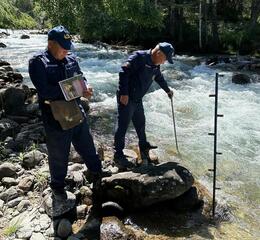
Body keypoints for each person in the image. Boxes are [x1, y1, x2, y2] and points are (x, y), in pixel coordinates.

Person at [28, 26, 102, 198]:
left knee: (88, 147)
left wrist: (85, 86)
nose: (66, 50)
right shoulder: (38, 62)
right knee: (58, 155)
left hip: (76, 112)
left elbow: (81, 76)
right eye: (62, 46)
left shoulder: (71, 58)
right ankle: (58, 188)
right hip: (55, 118)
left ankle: (97, 174)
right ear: (50, 43)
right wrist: (76, 89)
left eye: (68, 46)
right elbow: (45, 91)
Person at [114, 42, 174, 169]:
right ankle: (118, 155)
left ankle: (144, 148)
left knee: (141, 124)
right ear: (158, 53)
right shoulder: (139, 57)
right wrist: (124, 93)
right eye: (165, 59)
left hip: (137, 99)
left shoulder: (155, 64)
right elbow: (123, 71)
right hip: (127, 97)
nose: (164, 62)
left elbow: (159, 78)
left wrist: (167, 90)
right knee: (122, 126)